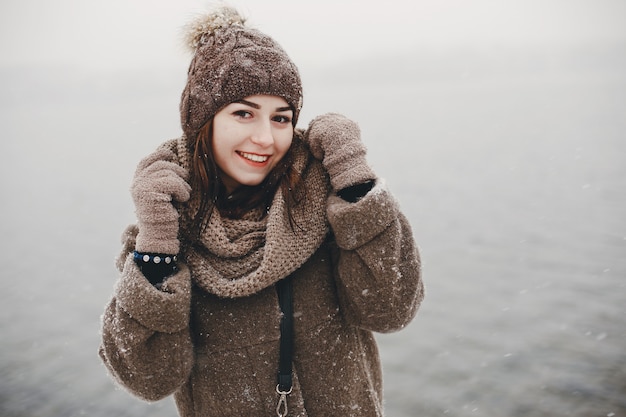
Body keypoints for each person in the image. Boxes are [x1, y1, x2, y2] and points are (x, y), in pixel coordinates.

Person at [99, 5, 424, 417]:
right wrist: (158, 245)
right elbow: (147, 378)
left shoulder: (329, 204)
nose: (266, 138)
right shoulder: (167, 224)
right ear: (203, 122)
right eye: (243, 113)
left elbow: (391, 310)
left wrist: (355, 179)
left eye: (281, 118)